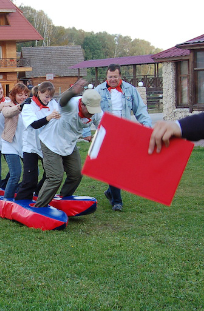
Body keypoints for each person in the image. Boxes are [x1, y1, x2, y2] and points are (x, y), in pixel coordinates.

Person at [84, 64, 152, 211]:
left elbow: (140, 110)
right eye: (110, 77)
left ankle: (110, 192)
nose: (113, 79)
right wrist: (86, 132)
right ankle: (117, 201)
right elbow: (88, 111)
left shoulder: (130, 90)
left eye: (115, 76)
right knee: (114, 167)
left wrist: (147, 127)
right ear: (106, 77)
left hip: (125, 132)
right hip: (107, 133)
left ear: (120, 76)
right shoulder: (98, 91)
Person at [34, 80, 102, 208]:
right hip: (51, 142)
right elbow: (63, 101)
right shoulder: (71, 105)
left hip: (69, 143)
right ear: (82, 104)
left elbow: (103, 127)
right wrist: (72, 92)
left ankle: (64, 199)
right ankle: (39, 207)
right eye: (89, 110)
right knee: (55, 177)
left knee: (76, 173)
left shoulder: (95, 110)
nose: (92, 113)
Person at [15, 82, 61, 200]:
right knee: (30, 178)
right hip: (31, 145)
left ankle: (40, 193)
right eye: (46, 96)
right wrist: (49, 117)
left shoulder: (53, 103)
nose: (48, 99)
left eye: (50, 96)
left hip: (48, 144)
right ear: (39, 93)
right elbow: (34, 125)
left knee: (51, 174)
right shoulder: (29, 105)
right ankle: (22, 200)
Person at [0, 83, 30, 199]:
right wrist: (20, 106)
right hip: (10, 143)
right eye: (20, 95)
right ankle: (7, 200)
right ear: (14, 95)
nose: (23, 97)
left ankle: (22, 194)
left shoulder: (30, 107)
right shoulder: (8, 105)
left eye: (25, 95)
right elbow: (7, 113)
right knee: (15, 174)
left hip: (25, 145)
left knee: (32, 173)